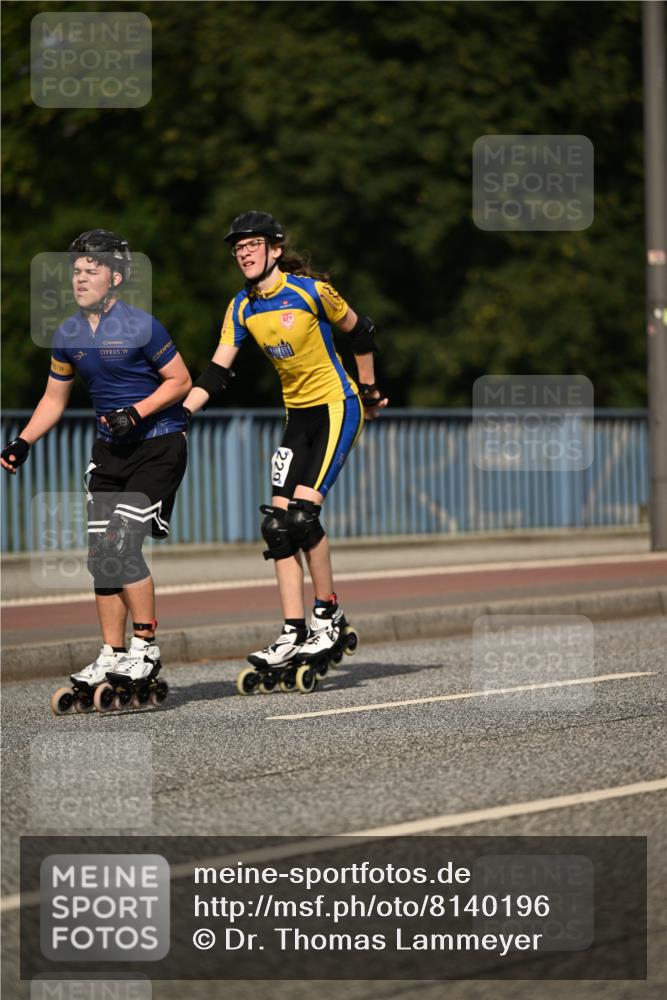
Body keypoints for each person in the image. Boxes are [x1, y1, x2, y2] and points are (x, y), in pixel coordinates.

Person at [183, 211, 387, 677]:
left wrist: (371, 392)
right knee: (277, 526)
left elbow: (362, 331)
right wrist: (183, 412)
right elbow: (217, 372)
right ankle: (293, 631)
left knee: (302, 514)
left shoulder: (310, 291)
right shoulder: (241, 308)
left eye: (253, 244)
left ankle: (327, 615)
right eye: (237, 249)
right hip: (297, 417)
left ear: (275, 249)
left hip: (338, 405)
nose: (244, 253)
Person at [1, 229, 191, 711]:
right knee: (101, 556)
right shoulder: (66, 335)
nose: (81, 277)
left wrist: (138, 411)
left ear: (117, 277)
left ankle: (145, 647)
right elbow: (53, 398)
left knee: (122, 542)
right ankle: (114, 652)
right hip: (109, 452)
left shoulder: (142, 326)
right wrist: (25, 440)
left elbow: (180, 381)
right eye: (77, 270)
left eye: (92, 270)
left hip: (157, 444)